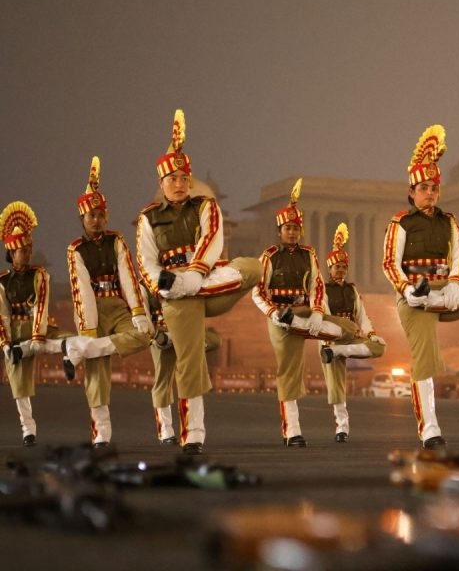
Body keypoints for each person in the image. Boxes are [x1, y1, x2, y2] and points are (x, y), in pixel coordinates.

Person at [136, 109, 263, 455]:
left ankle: (189, 295)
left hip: (205, 280)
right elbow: (147, 263)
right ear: (161, 183)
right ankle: (192, 432)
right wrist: (168, 286)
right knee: (190, 357)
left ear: (189, 181)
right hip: (175, 296)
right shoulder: (149, 219)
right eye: (171, 178)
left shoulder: (206, 206)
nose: (178, 184)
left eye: (183, 178)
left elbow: (212, 243)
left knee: (254, 267)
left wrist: (191, 278)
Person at [382, 124, 459, 449]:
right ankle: (430, 428)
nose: (430, 193)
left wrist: (454, 282)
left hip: (443, 292)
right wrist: (407, 290)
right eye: (423, 188)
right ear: (411, 192)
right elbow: (389, 263)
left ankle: (432, 299)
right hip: (414, 293)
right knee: (425, 359)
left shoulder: (449, 220)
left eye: (434, 187)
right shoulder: (402, 223)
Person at [253, 181, 363, 447]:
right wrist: (272, 312)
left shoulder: (309, 255)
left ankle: (335, 350)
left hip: (305, 312)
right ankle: (293, 430)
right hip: (281, 316)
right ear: (279, 231)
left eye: (295, 228)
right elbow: (258, 291)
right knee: (289, 371)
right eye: (287, 228)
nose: (292, 232)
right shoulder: (269, 257)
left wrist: (316, 313)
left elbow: (317, 286)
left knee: (348, 329)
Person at [65, 156, 155, 446]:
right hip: (92, 309)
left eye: (101, 214)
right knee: (98, 373)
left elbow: (129, 276)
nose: (97, 220)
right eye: (91, 215)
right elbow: (81, 290)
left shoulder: (117, 240)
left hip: (116, 305)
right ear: (82, 219)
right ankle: (102, 433)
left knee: (144, 334)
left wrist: (139, 312)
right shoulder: (76, 249)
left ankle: (83, 349)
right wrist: (89, 327)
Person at [0, 201, 67, 446]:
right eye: (23, 250)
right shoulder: (3, 282)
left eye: (29, 249)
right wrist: (6, 342)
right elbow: (2, 314)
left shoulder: (39, 275)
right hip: (16, 331)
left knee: (66, 339)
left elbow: (41, 304)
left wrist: (38, 336)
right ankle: (28, 429)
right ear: (12, 253)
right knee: (19, 384)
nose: (27, 253)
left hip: (38, 327)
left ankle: (71, 356)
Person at [319, 222, 387, 443]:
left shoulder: (352, 290)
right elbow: (324, 315)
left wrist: (370, 333)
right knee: (336, 385)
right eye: (337, 267)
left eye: (343, 267)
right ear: (329, 269)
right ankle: (342, 427)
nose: (340, 270)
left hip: (348, 340)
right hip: (332, 337)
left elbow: (362, 315)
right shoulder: (323, 291)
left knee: (379, 345)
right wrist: (332, 339)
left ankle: (341, 351)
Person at [144, 286, 222, 444]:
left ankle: (184, 345)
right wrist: (154, 337)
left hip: (183, 330)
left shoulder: (180, 278)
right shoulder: (143, 285)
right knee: (163, 380)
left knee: (214, 340)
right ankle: (165, 430)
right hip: (161, 333)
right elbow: (143, 316)